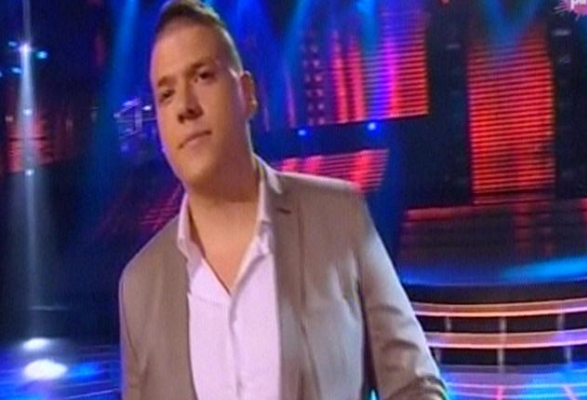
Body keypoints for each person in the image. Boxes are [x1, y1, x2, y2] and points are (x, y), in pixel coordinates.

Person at [118, 1, 446, 399]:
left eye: (203, 76)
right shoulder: (139, 287)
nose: (185, 107)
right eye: (166, 94)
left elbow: (414, 386)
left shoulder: (339, 219)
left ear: (247, 94)